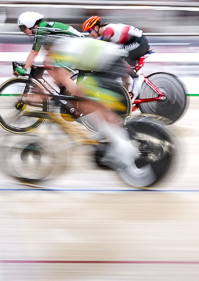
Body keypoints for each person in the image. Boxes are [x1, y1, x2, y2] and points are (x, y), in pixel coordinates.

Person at [35, 29, 152, 185]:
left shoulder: (61, 50)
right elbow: (58, 82)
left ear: (49, 46)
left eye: (45, 50)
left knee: (87, 100)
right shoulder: (65, 46)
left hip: (109, 65)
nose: (45, 54)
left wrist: (42, 96)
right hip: (108, 63)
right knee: (89, 102)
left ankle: (124, 149)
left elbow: (64, 80)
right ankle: (108, 135)